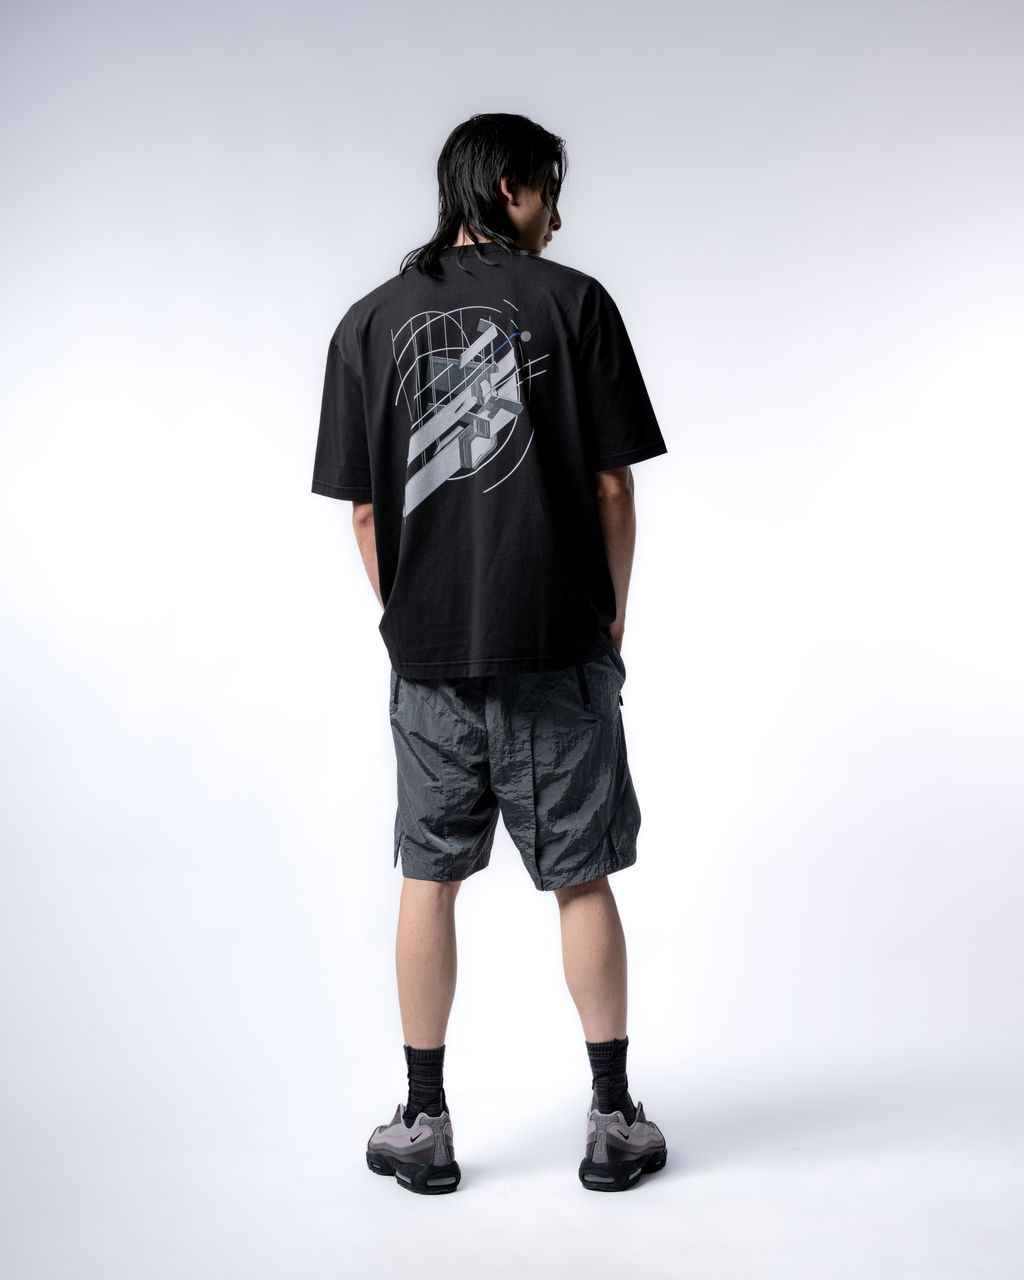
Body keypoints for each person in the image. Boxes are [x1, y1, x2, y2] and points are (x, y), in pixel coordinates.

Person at [311, 113, 669, 1194]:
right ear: (508, 184)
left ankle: (424, 1122)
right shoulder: (575, 303)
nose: (558, 215)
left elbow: (365, 513)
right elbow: (612, 488)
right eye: (549, 190)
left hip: (430, 661)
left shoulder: (367, 323)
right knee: (580, 879)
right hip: (557, 640)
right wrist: (611, 615)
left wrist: (412, 617)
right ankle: (612, 1119)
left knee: (428, 877)